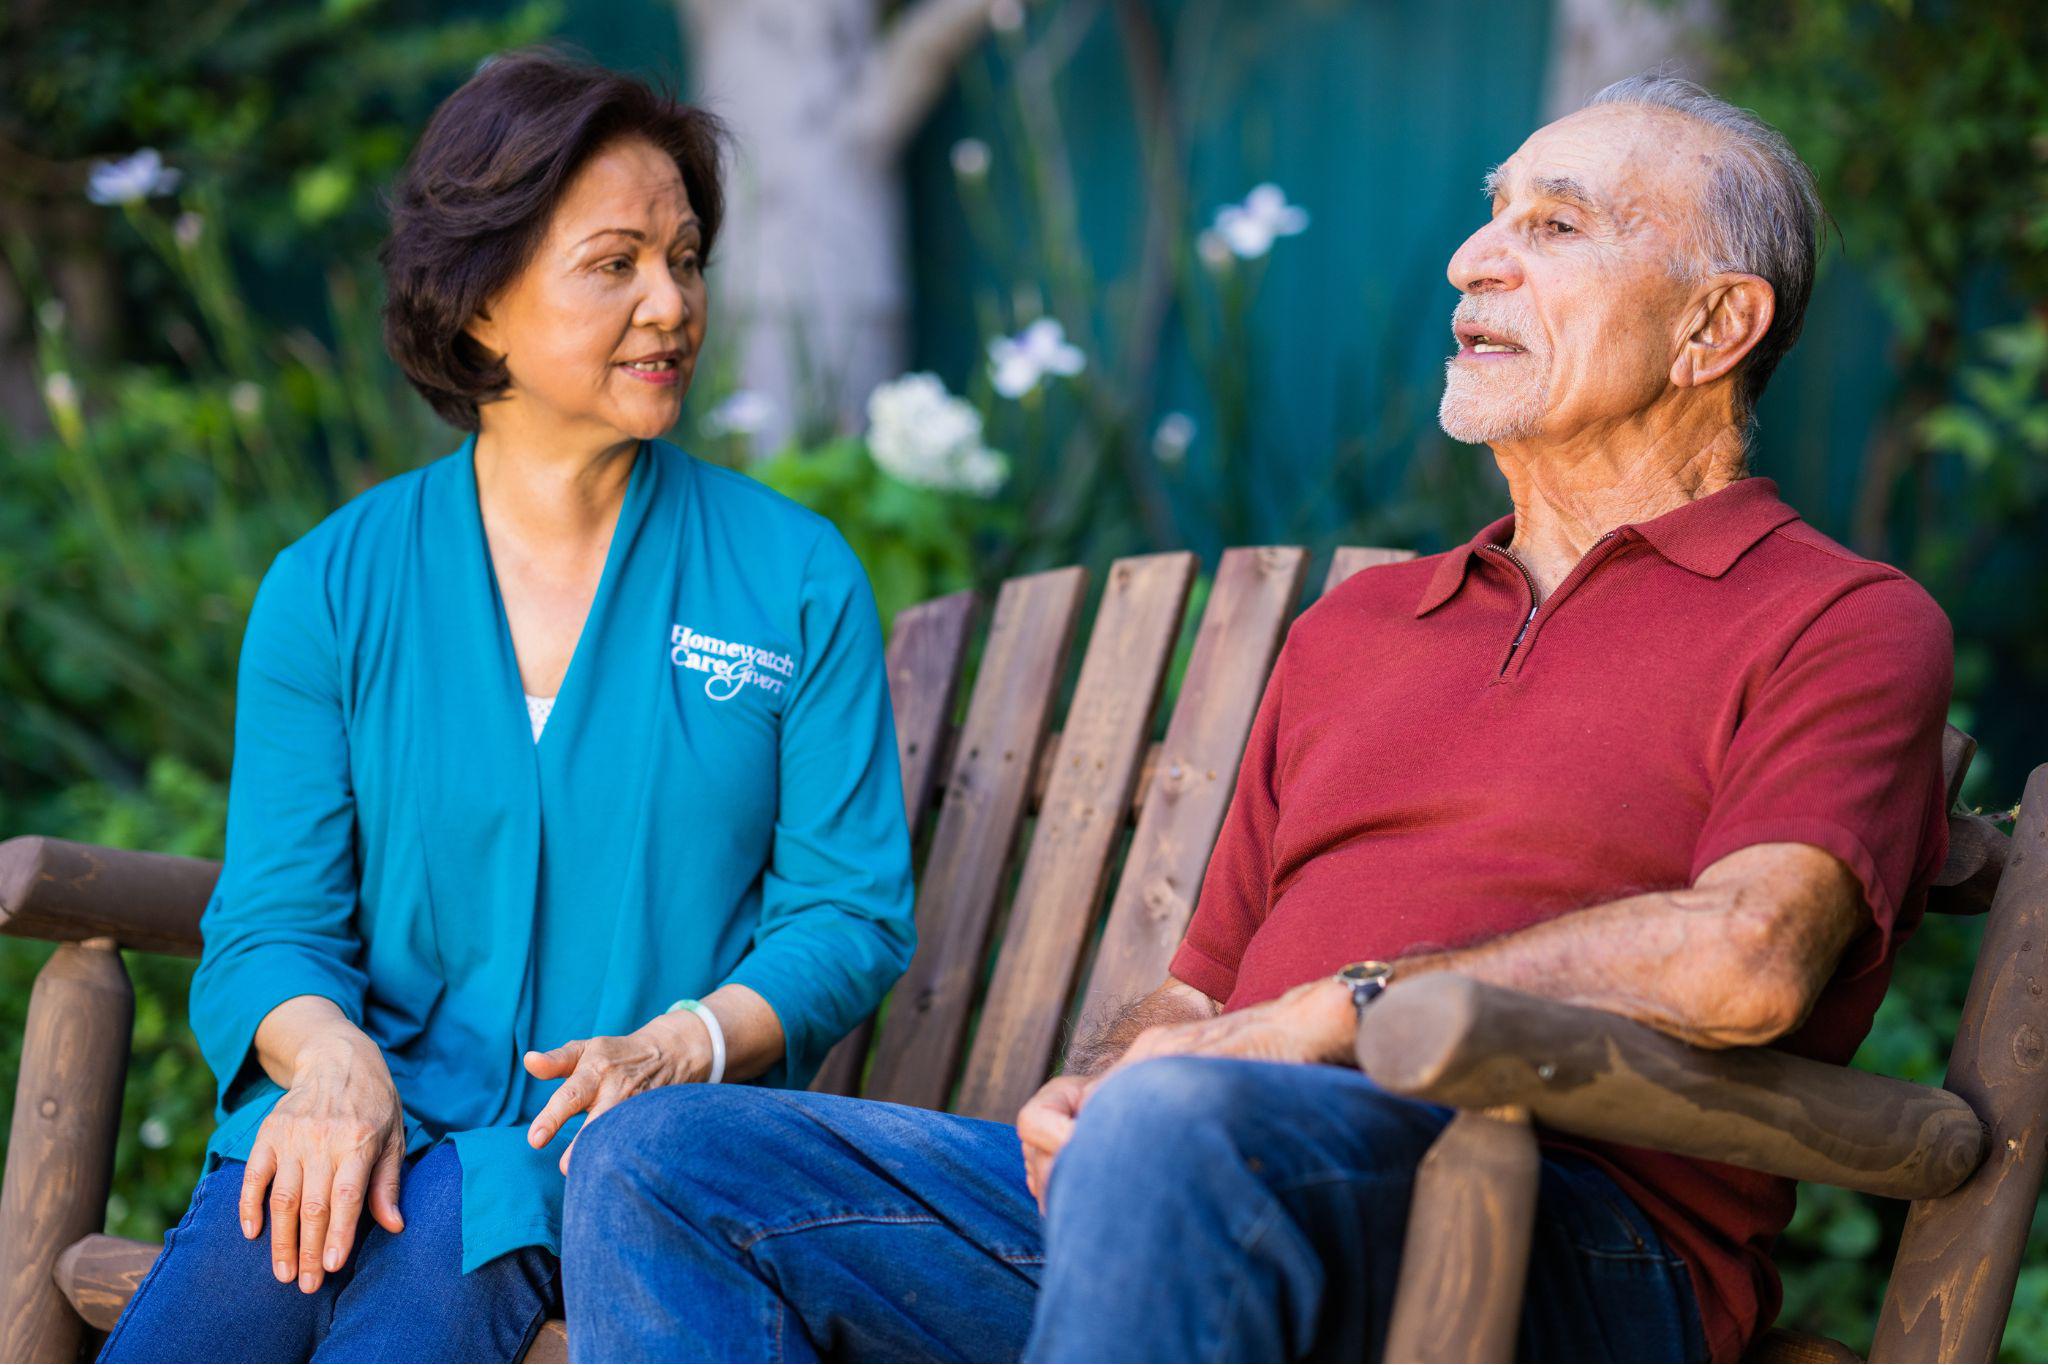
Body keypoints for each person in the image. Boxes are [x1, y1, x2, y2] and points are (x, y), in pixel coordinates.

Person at [560, 74, 1953, 1365]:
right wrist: (1096, 1088)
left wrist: (1328, 1019)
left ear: (1716, 326)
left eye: (1557, 224)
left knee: (1187, 1118)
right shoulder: (1357, 630)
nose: (1476, 257)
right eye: (1489, 215)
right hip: (1190, 1184)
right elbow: (1197, 993)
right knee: (670, 1159)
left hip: (1557, 1227)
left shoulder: (1839, 620)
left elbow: (1750, 957)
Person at [98, 47, 915, 1364]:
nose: (672, 304)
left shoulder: (791, 577)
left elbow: (849, 911)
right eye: (617, 264)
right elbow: (270, 922)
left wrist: (685, 1042)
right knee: (213, 1309)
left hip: (602, 1156)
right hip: (345, 1119)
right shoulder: (331, 589)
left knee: (442, 1252)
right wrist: (330, 1065)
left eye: (687, 259)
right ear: (480, 304)